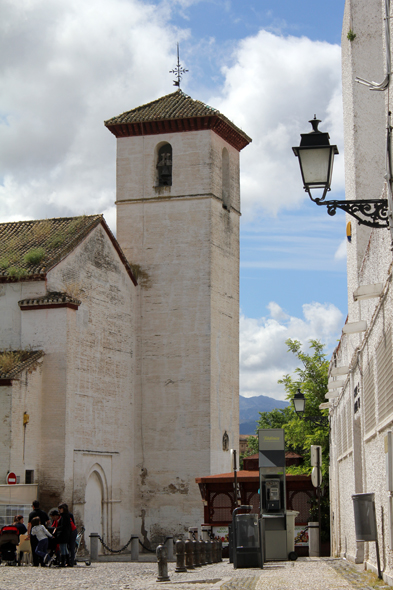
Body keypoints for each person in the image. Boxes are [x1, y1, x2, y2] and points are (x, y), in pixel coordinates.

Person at [27, 501, 50, 566]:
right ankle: (42, 562)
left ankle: (35, 562)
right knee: (42, 548)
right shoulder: (43, 513)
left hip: (34, 533)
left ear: (33, 506)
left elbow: (29, 524)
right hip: (42, 533)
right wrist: (46, 526)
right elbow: (48, 521)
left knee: (34, 547)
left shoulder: (32, 514)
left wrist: (29, 534)